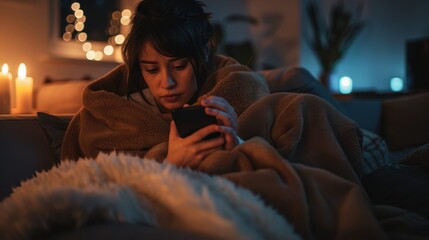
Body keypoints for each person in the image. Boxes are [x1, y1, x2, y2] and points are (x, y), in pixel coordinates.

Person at [60, 0, 429, 238]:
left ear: (202, 55)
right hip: (332, 180)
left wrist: (238, 138)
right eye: (151, 69)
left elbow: (280, 129)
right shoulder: (112, 115)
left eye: (178, 66)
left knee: (300, 104)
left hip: (363, 157)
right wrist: (169, 161)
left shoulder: (233, 87)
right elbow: (106, 172)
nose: (165, 83)